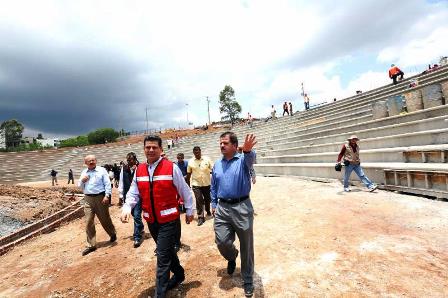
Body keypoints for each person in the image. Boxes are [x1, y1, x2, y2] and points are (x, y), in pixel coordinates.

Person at [120, 135, 194, 297]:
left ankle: (159, 293)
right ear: (144, 149)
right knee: (166, 251)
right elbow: (133, 192)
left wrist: (189, 210)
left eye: (154, 147)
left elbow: (184, 190)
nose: (151, 150)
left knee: (162, 257)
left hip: (169, 220)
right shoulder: (139, 170)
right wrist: (127, 207)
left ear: (161, 149)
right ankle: (179, 274)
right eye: (148, 147)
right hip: (151, 220)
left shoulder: (171, 167)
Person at [211, 132, 257, 297]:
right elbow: (214, 185)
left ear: (234, 145)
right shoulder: (217, 164)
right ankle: (232, 256)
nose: (222, 146)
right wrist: (214, 203)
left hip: (242, 206)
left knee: (247, 245)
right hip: (222, 208)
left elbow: (251, 159)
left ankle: (248, 279)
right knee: (221, 241)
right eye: (220, 143)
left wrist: (247, 151)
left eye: (225, 143)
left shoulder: (243, 160)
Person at [78, 155, 117, 256]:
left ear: (96, 161)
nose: (91, 162)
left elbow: (107, 183)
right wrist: (83, 181)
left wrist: (107, 195)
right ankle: (91, 245)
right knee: (88, 221)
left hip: (100, 197)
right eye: (89, 161)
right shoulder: (84, 172)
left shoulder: (101, 170)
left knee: (105, 219)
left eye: (93, 160)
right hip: (88, 199)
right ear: (85, 163)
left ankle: (112, 233)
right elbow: (79, 186)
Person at [118, 152, 144, 248]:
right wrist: (120, 195)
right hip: (127, 196)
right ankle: (140, 227)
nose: (129, 162)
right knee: (133, 214)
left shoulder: (141, 168)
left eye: (131, 160)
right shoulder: (124, 169)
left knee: (137, 215)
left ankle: (137, 237)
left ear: (135, 159)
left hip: (138, 195)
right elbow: (121, 182)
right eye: (128, 160)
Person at [187, 146, 213, 226]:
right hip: (196, 184)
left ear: (200, 151)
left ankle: (208, 209)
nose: (197, 153)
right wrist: (188, 185)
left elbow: (213, 170)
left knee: (207, 199)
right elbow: (189, 173)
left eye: (198, 152)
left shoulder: (207, 159)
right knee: (199, 200)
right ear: (193, 153)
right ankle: (200, 217)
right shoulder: (190, 162)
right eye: (195, 152)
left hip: (206, 183)